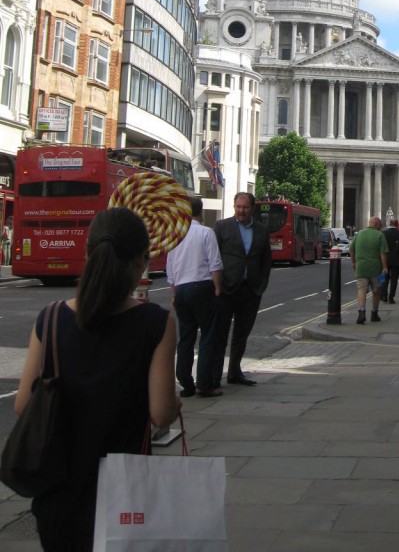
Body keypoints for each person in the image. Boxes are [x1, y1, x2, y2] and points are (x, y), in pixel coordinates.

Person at [14, 206, 178, 552]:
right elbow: (161, 414)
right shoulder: (156, 322)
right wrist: (175, 401)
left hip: (57, 491)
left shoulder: (51, 317)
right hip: (124, 493)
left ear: (87, 254)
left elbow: (23, 405)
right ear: (140, 261)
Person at [211, 191, 272, 387]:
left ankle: (234, 372)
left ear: (252, 209)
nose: (241, 211)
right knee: (220, 334)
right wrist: (216, 286)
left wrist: (260, 286)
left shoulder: (262, 230)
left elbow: (266, 260)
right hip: (226, 289)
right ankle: (214, 375)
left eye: (245, 207)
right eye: (238, 207)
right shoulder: (222, 226)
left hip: (250, 290)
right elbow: (214, 257)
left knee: (242, 333)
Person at [165, 196, 223, 398]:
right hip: (202, 287)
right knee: (207, 336)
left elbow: (170, 270)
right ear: (201, 211)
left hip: (181, 290)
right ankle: (204, 385)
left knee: (186, 337)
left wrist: (174, 294)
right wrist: (217, 288)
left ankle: (185, 383)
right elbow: (215, 264)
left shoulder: (175, 235)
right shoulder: (206, 232)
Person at [349, 216, 388, 324]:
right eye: (380, 224)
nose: (381, 227)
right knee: (376, 291)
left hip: (361, 267)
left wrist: (353, 262)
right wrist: (385, 267)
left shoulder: (359, 234)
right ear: (376, 224)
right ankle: (374, 314)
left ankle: (361, 313)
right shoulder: (380, 235)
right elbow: (383, 253)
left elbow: (351, 249)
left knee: (361, 290)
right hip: (376, 268)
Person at [379, 220, 399, 303]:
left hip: (384, 260)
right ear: (397, 224)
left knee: (383, 278)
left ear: (390, 223)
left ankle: (383, 295)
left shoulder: (383, 233)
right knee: (394, 280)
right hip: (397, 260)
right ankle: (391, 297)